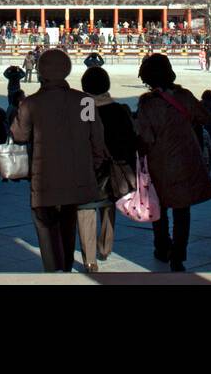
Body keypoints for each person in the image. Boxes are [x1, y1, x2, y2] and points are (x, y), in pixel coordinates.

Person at [9, 49, 107, 272]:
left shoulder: (32, 103)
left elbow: (19, 135)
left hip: (44, 178)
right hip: (76, 175)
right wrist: (94, 164)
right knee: (68, 224)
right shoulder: (85, 102)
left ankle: (53, 270)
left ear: (41, 71)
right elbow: (96, 138)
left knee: (46, 226)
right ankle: (65, 266)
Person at [136, 53, 211, 272]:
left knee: (159, 208)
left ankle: (162, 247)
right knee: (182, 210)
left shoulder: (148, 104)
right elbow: (205, 117)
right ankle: (178, 255)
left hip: (159, 162)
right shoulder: (184, 96)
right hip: (185, 158)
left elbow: (145, 137)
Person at [75, 66, 136, 271]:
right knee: (109, 206)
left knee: (85, 210)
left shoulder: (84, 109)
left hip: (87, 166)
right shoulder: (119, 110)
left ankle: (89, 258)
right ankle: (105, 246)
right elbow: (130, 140)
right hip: (114, 167)